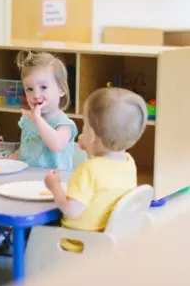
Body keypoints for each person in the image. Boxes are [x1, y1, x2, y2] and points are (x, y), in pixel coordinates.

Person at [0, 50, 78, 256]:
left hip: (53, 187)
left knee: (36, 224)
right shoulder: (29, 120)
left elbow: (56, 144)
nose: (36, 95)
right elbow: (26, 147)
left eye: (43, 87)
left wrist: (38, 121)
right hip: (26, 181)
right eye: (29, 89)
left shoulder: (64, 124)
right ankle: (5, 230)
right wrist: (7, 161)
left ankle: (24, 238)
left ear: (61, 90)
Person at [45, 87, 147, 252]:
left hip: (77, 245)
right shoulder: (128, 162)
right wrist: (90, 148)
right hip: (107, 243)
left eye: (85, 125)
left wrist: (54, 186)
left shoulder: (88, 170)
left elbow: (71, 210)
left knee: (33, 231)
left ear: (92, 135)